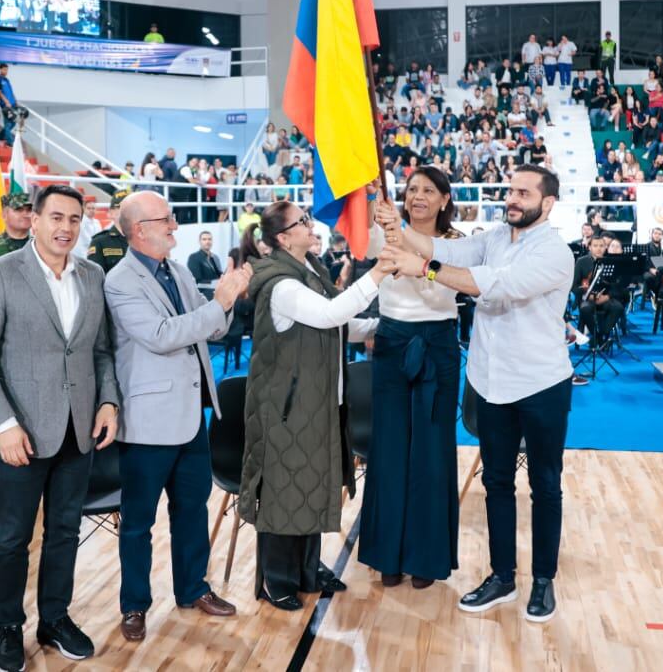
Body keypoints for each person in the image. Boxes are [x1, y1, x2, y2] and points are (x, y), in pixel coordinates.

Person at [377, 164, 573, 623]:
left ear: (547, 203)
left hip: (541, 383)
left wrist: (426, 270)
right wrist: (398, 226)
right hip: (490, 380)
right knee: (496, 482)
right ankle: (502, 576)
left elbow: (495, 285)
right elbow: (446, 248)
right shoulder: (495, 238)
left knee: (545, 485)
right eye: (511, 190)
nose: (512, 199)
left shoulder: (554, 252)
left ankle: (542, 580)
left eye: (523, 193)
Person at [0, 185, 121, 672]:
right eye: (56, 217)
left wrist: (108, 401)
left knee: (65, 532)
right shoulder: (0, 272)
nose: (65, 228)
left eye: (74, 219)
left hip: (79, 429)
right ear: (34, 220)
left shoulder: (92, 275)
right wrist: (5, 425)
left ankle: (55, 618)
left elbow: (100, 351)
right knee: (12, 538)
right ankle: (8, 625)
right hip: (21, 434)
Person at [104, 191, 248, 641]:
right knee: (138, 523)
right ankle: (134, 605)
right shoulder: (120, 281)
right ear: (138, 230)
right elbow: (162, 335)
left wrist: (225, 304)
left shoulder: (178, 270)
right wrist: (218, 305)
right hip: (147, 423)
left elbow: (212, 328)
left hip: (190, 416)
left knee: (191, 511)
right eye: (165, 219)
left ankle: (193, 588)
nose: (174, 226)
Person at [238, 201, 392, 611]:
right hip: (288, 407)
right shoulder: (282, 285)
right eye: (302, 221)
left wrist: (380, 326)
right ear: (283, 237)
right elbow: (328, 314)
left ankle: (307, 569)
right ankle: (276, 579)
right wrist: (377, 274)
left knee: (311, 488)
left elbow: (338, 323)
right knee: (284, 495)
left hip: (316, 400)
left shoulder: (310, 270)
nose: (310, 224)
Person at [360, 167, 462, 590]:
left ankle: (426, 557)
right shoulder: (383, 235)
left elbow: (435, 292)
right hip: (391, 345)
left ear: (444, 199)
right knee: (389, 448)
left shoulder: (456, 243)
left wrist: (406, 245)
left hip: (437, 346)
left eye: (428, 190)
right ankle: (387, 554)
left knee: (432, 452)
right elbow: (366, 254)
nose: (418, 196)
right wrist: (377, 210)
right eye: (412, 189)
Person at [86, 189, 131, 274]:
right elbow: (94, 277)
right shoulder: (100, 242)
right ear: (111, 213)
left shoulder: (144, 240)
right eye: (121, 207)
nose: (126, 210)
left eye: (130, 207)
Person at [186, 230, 223, 299]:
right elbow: (196, 279)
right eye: (204, 239)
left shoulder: (215, 257)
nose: (207, 242)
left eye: (209, 239)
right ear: (199, 242)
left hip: (217, 291)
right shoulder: (194, 257)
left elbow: (219, 274)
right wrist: (213, 282)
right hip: (203, 294)